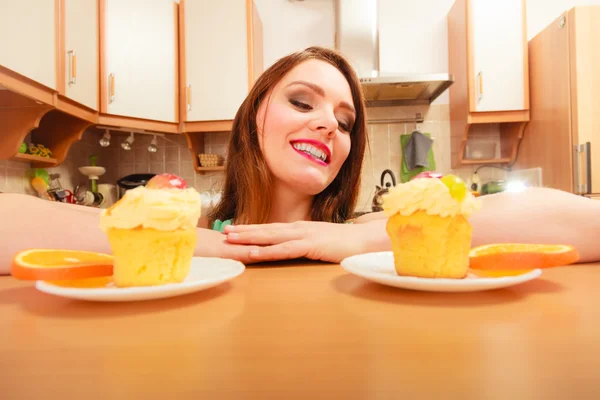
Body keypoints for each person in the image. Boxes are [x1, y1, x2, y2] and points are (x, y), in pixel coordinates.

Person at [1, 47, 599, 275]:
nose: (327, 125)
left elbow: (582, 224)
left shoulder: (360, 234)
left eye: (344, 122)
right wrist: (224, 243)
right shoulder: (185, 229)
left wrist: (354, 242)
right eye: (302, 101)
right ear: (254, 115)